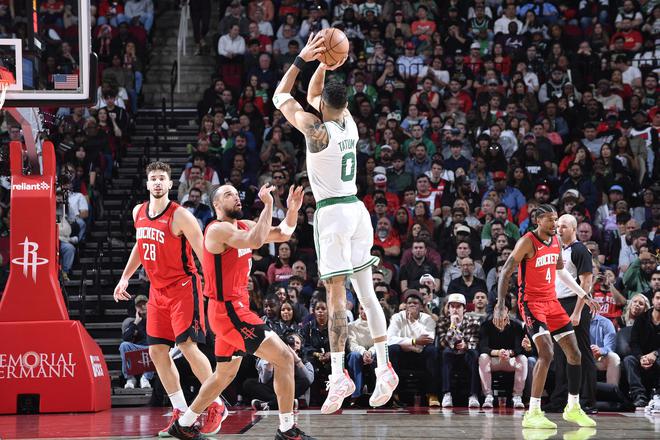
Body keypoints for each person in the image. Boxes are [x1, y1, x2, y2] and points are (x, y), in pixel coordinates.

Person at [272, 33, 398, 414]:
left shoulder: (317, 131)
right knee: (368, 294)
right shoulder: (348, 122)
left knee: (335, 296)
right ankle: (385, 367)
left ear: (323, 106)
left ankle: (340, 373)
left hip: (332, 215)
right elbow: (316, 94)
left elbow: (281, 96)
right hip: (358, 211)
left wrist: (303, 58)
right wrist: (325, 64)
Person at [168, 183, 316, 440]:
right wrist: (269, 204)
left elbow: (283, 233)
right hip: (228, 312)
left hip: (231, 311)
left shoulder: (244, 225)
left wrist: (292, 209)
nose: (236, 197)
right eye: (229, 195)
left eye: (237, 194)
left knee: (223, 374)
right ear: (216, 204)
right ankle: (286, 429)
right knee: (284, 358)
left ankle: (184, 423)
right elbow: (256, 240)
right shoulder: (217, 230)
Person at [113, 162, 226, 437]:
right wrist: (125, 277)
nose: (157, 182)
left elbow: (202, 252)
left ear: (170, 184)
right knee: (156, 352)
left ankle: (216, 404)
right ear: (147, 184)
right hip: (157, 291)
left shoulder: (181, 215)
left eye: (162, 178)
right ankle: (179, 410)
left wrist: (215, 288)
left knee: (187, 346)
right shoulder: (138, 212)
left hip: (183, 287)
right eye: (153, 178)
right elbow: (141, 245)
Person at [494, 204, 598, 429]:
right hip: (531, 304)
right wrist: (500, 304)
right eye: (550, 220)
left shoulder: (556, 242)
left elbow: (561, 272)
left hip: (552, 302)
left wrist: (584, 295)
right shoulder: (527, 241)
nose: (555, 224)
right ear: (538, 221)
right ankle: (532, 412)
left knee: (575, 353)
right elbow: (506, 271)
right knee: (547, 353)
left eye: (556, 219)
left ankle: (573, 407)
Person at [546, 214, 597, 413]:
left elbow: (586, 282)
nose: (559, 230)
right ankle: (561, 400)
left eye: (564, 226)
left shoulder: (580, 250)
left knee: (582, 352)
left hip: (575, 303)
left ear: (574, 229)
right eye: (558, 226)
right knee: (560, 354)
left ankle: (587, 400)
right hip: (557, 304)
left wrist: (577, 312)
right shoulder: (556, 249)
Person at [478, 298, 526, 409]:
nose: (499, 311)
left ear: (507, 311)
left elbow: (519, 348)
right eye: (497, 308)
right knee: (483, 357)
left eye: (502, 309)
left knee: (523, 359)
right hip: (493, 359)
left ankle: (517, 396)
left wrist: (510, 352)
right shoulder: (486, 325)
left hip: (510, 359)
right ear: (493, 310)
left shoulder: (516, 326)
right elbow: (483, 347)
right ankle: (488, 396)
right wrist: (498, 352)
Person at [623, 290, 660, 409]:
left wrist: (655, 354)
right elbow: (634, 343)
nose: (659, 301)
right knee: (629, 360)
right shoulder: (641, 319)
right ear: (653, 300)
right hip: (642, 357)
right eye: (658, 298)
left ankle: (657, 394)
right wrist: (641, 357)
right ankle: (639, 396)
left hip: (658, 357)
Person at [119, 295, 154, 389]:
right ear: (136, 308)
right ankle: (130, 378)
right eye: (139, 305)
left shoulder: (155, 319)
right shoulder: (133, 323)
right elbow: (126, 338)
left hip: (152, 349)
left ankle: (145, 378)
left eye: (144, 304)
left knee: (155, 347)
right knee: (124, 345)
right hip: (138, 350)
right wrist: (136, 323)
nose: (142, 306)